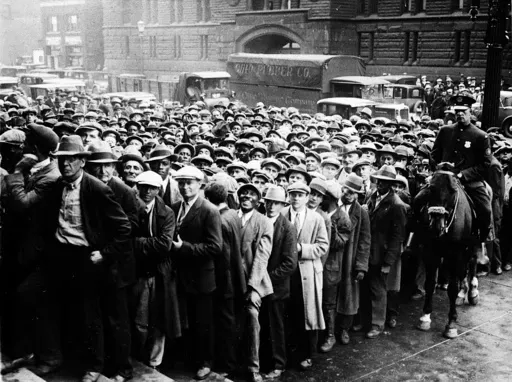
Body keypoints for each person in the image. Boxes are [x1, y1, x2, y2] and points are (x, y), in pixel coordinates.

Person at [45, 135, 132, 382]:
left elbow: (124, 228)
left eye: (71, 159)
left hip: (89, 258)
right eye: (62, 160)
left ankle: (95, 367)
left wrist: (104, 253)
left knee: (93, 314)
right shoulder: (57, 186)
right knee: (74, 312)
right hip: (65, 256)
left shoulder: (97, 188)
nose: (66, 164)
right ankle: (81, 360)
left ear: (83, 162)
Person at [2, 124, 62, 376]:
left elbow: (23, 204)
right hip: (22, 248)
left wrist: (17, 171)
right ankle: (26, 351)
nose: (21, 148)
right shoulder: (37, 169)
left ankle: (49, 355)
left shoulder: (50, 176)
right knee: (21, 299)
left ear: (35, 149)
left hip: (42, 253)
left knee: (36, 301)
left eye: (26, 144)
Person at [85, 141, 139, 381]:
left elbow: (132, 226)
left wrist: (107, 246)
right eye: (98, 166)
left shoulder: (124, 191)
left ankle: (123, 368)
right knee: (95, 317)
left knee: (118, 320)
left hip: (116, 264)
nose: (103, 171)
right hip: (93, 263)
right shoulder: (87, 187)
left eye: (107, 166)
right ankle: (99, 365)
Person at [171, 166, 222, 380]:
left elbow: (215, 247)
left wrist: (185, 248)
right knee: (186, 318)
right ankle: (190, 358)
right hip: (181, 274)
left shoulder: (209, 210)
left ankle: (205, 362)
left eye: (189, 182)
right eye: (181, 183)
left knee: (202, 322)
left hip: (201, 275)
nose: (185, 187)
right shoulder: (174, 207)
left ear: (200, 185)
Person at [131, 171, 182, 371]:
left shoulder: (166, 212)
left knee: (161, 319)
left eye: (152, 188)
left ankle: (154, 362)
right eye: (143, 187)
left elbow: (163, 244)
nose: (147, 191)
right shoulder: (132, 207)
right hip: (139, 271)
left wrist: (138, 244)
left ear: (158, 189)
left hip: (161, 271)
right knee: (139, 319)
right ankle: (138, 356)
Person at [430, 95, 492, 242]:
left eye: (463, 111)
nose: (460, 114)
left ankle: (480, 244)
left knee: (485, 209)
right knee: (419, 199)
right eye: (457, 111)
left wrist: (463, 175)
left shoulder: (480, 136)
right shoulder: (445, 131)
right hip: (443, 180)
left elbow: (486, 164)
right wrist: (438, 168)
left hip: (468, 182)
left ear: (471, 112)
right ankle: (412, 240)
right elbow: (434, 155)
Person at [282, 182, 329, 370]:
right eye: (292, 194)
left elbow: (323, 245)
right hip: (285, 272)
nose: (296, 198)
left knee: (306, 313)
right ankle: (286, 354)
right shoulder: (282, 214)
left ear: (307, 197)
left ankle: (306, 354)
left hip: (307, 272)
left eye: (300, 195)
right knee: (287, 312)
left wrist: (302, 248)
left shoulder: (316, 218)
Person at [203, 181, 243, 376]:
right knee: (228, 320)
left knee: (223, 322)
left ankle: (226, 365)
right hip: (234, 276)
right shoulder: (233, 214)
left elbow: (223, 256)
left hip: (223, 279)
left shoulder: (220, 220)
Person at [236, 183, 273, 382]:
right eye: (243, 193)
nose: (246, 197)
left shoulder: (264, 222)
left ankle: (253, 367)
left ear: (258, 200)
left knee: (251, 316)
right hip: (232, 280)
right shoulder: (231, 217)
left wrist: (251, 287)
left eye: (251, 194)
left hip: (254, 282)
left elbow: (261, 256)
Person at [365, 165, 407, 339]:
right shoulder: (371, 197)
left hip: (381, 254)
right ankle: (366, 320)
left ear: (391, 184)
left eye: (385, 182)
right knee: (367, 286)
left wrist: (388, 262)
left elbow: (397, 237)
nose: (380, 184)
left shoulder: (397, 205)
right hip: (368, 250)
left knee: (379, 289)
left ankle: (377, 324)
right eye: (379, 180)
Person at [260, 186, 298, 380]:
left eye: (276, 203)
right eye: (268, 202)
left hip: (276, 287)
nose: (271, 206)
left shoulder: (287, 227)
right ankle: (264, 362)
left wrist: (265, 279)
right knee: (262, 325)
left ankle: (279, 364)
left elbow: (290, 264)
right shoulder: (260, 221)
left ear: (283, 205)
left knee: (276, 326)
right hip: (259, 285)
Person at [319, 182, 351, 353]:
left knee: (328, 304)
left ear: (330, 199)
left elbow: (339, 243)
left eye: (323, 196)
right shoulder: (319, 213)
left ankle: (330, 335)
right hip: (318, 264)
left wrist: (328, 224)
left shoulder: (342, 218)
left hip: (331, 268)